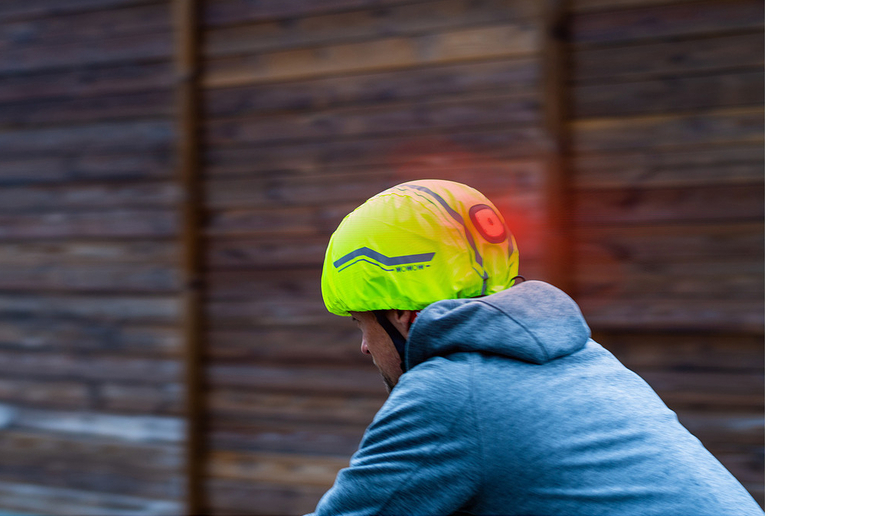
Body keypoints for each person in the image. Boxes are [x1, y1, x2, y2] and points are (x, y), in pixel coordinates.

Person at [307, 179, 763, 516]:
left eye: (361, 323)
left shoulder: (451, 391)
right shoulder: (589, 361)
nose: (365, 347)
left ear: (403, 317)